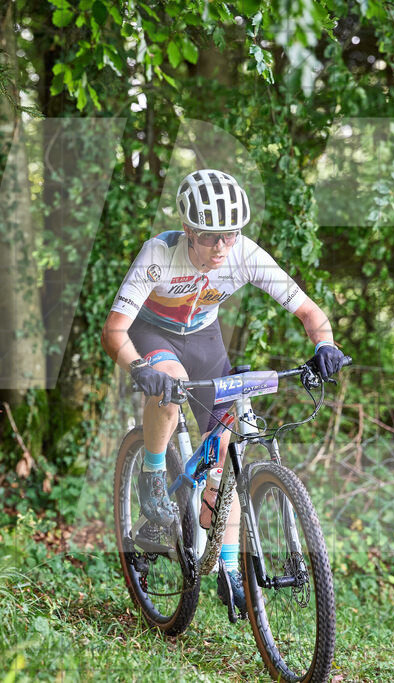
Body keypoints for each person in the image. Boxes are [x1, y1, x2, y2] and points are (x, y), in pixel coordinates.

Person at [101, 169, 346, 613]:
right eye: (211, 237)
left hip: (204, 340)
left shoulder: (244, 254)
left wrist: (325, 345)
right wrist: (138, 365)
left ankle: (229, 566)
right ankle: (153, 473)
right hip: (154, 333)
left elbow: (310, 312)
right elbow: (114, 330)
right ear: (189, 231)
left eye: (229, 237)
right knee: (170, 386)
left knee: (224, 457)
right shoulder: (159, 254)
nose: (221, 248)